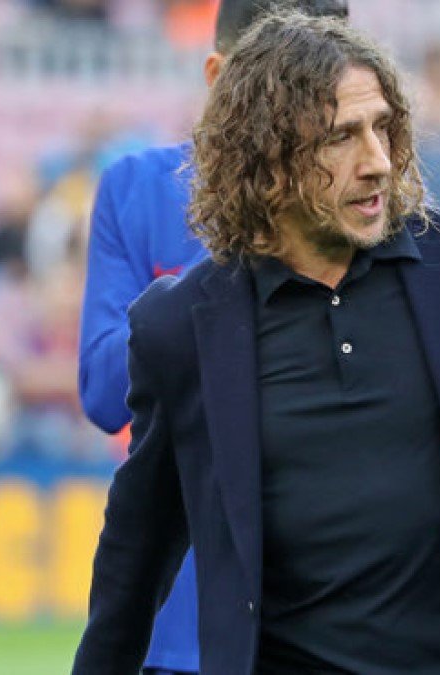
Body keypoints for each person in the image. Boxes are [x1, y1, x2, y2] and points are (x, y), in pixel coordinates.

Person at [73, 10, 440, 674]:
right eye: (342, 137)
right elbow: (136, 553)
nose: (378, 162)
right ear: (267, 159)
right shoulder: (184, 325)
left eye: (383, 127)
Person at [76, 2, 348, 673]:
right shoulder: (136, 189)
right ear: (218, 75)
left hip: (339, 614)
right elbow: (105, 392)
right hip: (183, 626)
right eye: (272, 87)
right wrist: (249, 234)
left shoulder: (367, 205)